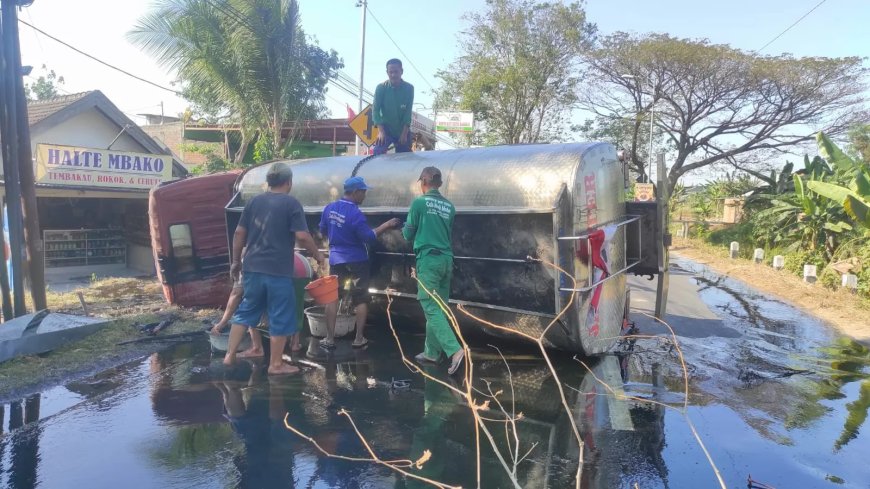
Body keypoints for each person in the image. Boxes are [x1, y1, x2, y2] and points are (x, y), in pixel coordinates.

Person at [224, 162, 326, 375]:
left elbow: (239, 234)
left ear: (268, 182)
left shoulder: (253, 202)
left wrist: (235, 261)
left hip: (252, 267)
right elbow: (302, 236)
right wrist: (317, 255)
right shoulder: (291, 204)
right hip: (278, 270)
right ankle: (276, 364)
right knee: (279, 314)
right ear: (288, 182)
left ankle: (229, 355)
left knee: (247, 310)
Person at [318, 176, 400, 349]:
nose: (365, 195)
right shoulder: (355, 214)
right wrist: (386, 225)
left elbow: (323, 230)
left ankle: (330, 339)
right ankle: (359, 339)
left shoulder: (329, 208)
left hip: (336, 260)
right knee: (360, 298)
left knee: (332, 298)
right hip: (357, 261)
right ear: (355, 192)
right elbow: (369, 237)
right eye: (363, 192)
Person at [401, 166, 465, 375]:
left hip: (428, 259)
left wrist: (404, 228)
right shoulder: (450, 206)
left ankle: (454, 350)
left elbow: (408, 234)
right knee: (439, 307)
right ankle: (431, 352)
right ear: (439, 183)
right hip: (447, 260)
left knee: (430, 305)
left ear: (424, 181)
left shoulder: (419, 203)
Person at [372, 58, 414, 155]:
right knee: (377, 152)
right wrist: (381, 132)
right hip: (386, 128)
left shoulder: (409, 88)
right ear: (387, 72)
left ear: (401, 71)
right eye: (390, 72)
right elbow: (375, 111)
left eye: (396, 72)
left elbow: (408, 113)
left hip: (402, 128)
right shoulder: (381, 88)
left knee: (406, 157)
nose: (393, 75)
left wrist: (404, 134)